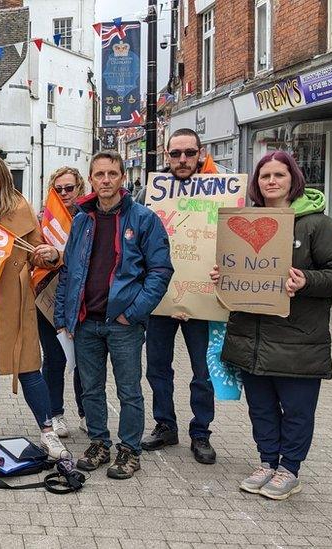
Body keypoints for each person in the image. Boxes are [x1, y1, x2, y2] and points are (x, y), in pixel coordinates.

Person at [210, 151, 332, 500]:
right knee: (261, 407)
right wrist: (223, 276)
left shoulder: (318, 224)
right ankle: (267, 461)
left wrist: (306, 282)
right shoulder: (243, 220)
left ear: (293, 179)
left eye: (279, 175)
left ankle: (290, 468)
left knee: (297, 410)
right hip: (253, 337)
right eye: (264, 176)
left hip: (298, 339)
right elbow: (236, 265)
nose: (271, 181)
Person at [54, 150, 173, 480]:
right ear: (90, 179)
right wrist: (63, 316)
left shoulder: (144, 219)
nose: (105, 180)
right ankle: (99, 443)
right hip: (86, 321)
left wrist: (133, 313)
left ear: (122, 178)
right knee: (90, 389)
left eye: (112, 174)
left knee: (128, 390)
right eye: (99, 174)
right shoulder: (82, 219)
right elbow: (68, 270)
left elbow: (160, 271)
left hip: (123, 324)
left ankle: (129, 450)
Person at [0, 155, 70, 460]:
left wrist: (49, 254)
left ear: (3, 179)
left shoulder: (21, 209)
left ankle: (47, 431)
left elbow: (37, 252)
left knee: (29, 366)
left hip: (14, 302)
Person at [141, 128, 218, 465]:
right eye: (176, 154)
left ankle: (201, 432)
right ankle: (165, 424)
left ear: (201, 153)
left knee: (203, 371)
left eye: (190, 153)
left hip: (203, 300)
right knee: (158, 368)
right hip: (160, 300)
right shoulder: (151, 195)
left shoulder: (220, 194)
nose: (183, 160)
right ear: (166, 155)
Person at [38, 167, 87, 437]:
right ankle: (55, 414)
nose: (65, 193)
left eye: (70, 188)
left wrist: (61, 253)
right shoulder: (43, 222)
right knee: (54, 359)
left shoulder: (90, 219)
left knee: (83, 360)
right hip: (48, 299)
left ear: (79, 188)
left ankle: (86, 412)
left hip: (81, 301)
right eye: (59, 189)